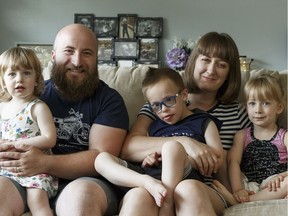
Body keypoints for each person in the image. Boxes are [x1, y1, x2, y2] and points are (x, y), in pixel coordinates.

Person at [0, 24, 129, 216]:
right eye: (69, 51)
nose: (77, 61)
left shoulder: (109, 100)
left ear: (96, 59)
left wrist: (44, 163)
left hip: (86, 180)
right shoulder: (31, 95)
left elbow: (101, 158)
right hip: (27, 176)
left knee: (79, 200)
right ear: (53, 56)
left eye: (87, 53)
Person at [119, 32, 251, 216]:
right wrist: (185, 143)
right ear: (194, 62)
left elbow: (260, 147)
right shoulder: (160, 105)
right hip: (158, 185)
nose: (211, 70)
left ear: (229, 73)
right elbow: (127, 148)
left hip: (206, 189)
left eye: (221, 65)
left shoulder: (237, 113)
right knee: (138, 196)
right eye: (205, 60)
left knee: (188, 189)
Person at [95, 68, 223, 216]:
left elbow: (217, 157)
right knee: (101, 159)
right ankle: (145, 182)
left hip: (186, 176)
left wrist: (180, 158)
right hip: (152, 177)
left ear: (184, 95)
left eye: (169, 100)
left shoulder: (203, 121)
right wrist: (149, 156)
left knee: (172, 148)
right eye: (156, 105)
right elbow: (136, 149)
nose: (164, 110)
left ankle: (166, 207)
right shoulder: (153, 124)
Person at [0, 47, 57, 215]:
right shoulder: (1, 108)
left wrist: (18, 143)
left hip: (35, 169)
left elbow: (49, 138)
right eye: (12, 74)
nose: (19, 80)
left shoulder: (38, 107)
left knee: (37, 202)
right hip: (7, 167)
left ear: (37, 79)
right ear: (3, 81)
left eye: (26, 73)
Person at [227, 74, 287, 204]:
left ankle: (244, 201)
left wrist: (282, 176)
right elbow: (233, 162)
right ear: (246, 107)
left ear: (279, 107)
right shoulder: (242, 136)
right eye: (252, 103)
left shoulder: (284, 136)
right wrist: (238, 189)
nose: (258, 110)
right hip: (248, 186)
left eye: (265, 103)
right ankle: (244, 198)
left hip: (274, 186)